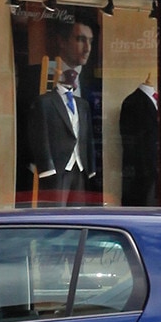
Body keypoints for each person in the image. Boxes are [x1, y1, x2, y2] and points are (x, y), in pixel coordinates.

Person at [28, 20, 98, 205]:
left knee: (78, 214)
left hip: (79, 167)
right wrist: (46, 167)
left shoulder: (86, 96)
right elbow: (39, 136)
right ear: (62, 41)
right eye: (80, 39)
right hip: (57, 168)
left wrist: (90, 167)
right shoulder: (43, 93)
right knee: (56, 213)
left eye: (91, 41)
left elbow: (87, 137)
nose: (87, 48)